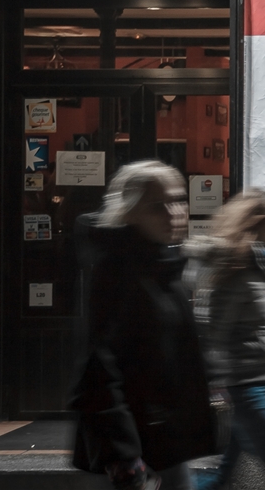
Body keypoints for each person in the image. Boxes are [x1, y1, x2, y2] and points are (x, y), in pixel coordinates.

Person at [70, 160, 216, 490]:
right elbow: (98, 367)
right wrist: (123, 458)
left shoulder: (162, 264)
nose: (175, 212)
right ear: (130, 211)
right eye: (158, 206)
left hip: (164, 442)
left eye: (180, 200)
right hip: (133, 455)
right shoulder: (117, 271)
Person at [185, 189, 265, 490]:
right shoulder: (233, 270)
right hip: (244, 388)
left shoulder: (258, 265)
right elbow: (214, 332)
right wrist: (218, 385)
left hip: (254, 382)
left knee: (220, 477)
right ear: (253, 224)